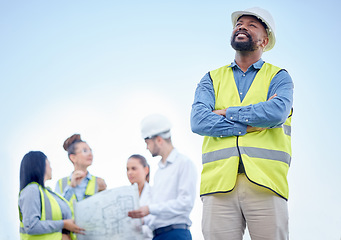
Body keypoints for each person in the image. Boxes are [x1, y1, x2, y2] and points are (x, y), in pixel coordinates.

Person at [191, 7, 293, 240]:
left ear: (264, 41)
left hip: (266, 183)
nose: (242, 27)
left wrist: (226, 112)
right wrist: (246, 125)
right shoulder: (211, 79)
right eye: (239, 23)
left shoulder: (279, 77)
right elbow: (198, 121)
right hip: (218, 186)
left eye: (251, 25)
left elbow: (276, 112)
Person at [128, 114, 197, 240]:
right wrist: (141, 219)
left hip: (176, 234)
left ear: (159, 140)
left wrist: (149, 209)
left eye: (147, 143)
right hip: (158, 234)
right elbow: (158, 211)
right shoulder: (159, 172)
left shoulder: (183, 163)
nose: (146, 147)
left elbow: (185, 203)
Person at [18, 151, 85, 240]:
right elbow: (31, 225)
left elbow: (62, 207)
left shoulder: (45, 192)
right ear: (41, 165)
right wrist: (64, 224)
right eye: (49, 164)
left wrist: (72, 186)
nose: (51, 168)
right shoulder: (32, 190)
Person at [55, 134, 106, 209]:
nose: (90, 154)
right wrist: (71, 187)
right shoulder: (61, 183)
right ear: (73, 157)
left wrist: (103, 193)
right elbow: (58, 208)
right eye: (85, 151)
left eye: (90, 150)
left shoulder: (99, 181)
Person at [126, 154, 153, 240]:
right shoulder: (124, 196)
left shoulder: (155, 193)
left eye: (134, 168)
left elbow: (157, 225)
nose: (129, 172)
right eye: (127, 169)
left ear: (146, 170)